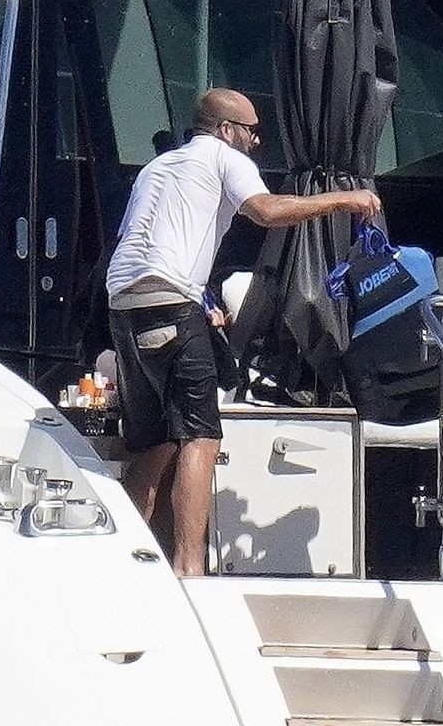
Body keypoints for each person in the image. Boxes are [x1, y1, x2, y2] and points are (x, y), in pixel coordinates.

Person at [107, 88, 380, 576]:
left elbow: (147, 241)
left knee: (155, 445)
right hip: (171, 302)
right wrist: (344, 199)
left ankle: (119, 564)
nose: (256, 141)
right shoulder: (223, 156)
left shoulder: (157, 168)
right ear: (226, 129)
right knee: (200, 437)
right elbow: (266, 211)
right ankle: (190, 570)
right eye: (252, 131)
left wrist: (202, 300)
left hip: (124, 306)